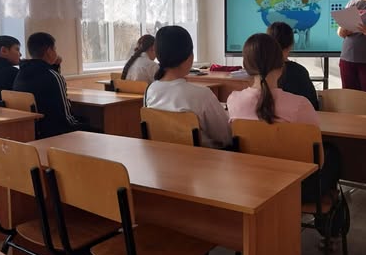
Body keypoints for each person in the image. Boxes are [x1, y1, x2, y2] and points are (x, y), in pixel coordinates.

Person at [227, 33, 338, 202]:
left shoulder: (234, 100)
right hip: (297, 187)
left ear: (246, 66)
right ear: (281, 66)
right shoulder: (300, 104)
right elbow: (318, 156)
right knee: (334, 154)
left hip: (251, 181)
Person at [144, 25, 232, 148]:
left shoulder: (150, 91)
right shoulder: (202, 94)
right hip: (203, 159)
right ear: (189, 57)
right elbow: (226, 137)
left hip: (162, 156)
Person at [13, 32, 79, 138]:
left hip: (32, 130)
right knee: (97, 128)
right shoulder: (52, 76)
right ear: (49, 51)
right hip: (55, 133)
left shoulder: (21, 72)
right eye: (55, 49)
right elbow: (66, 117)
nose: (56, 53)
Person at [267, 22, 319, 109]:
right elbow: (313, 106)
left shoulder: (259, 71)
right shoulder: (299, 72)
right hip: (298, 117)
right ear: (291, 45)